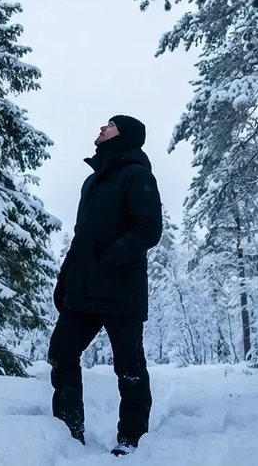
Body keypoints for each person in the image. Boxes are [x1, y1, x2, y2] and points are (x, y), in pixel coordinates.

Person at [49, 115, 163, 457]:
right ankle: (69, 432)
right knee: (62, 354)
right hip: (83, 292)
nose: (101, 128)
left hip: (121, 292)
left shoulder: (138, 176)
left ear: (124, 136)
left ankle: (132, 439)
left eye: (109, 125)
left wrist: (108, 259)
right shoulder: (93, 182)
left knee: (129, 367)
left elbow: (148, 229)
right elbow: (81, 237)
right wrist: (65, 278)